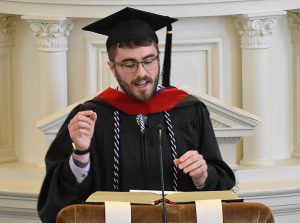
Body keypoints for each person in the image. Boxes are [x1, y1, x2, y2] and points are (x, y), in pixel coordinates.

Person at [37, 7, 236, 223]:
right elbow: (55, 205)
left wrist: (202, 176)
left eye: (149, 61)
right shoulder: (90, 116)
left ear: (158, 58)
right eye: (129, 64)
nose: (141, 73)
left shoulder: (189, 111)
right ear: (112, 68)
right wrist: (80, 154)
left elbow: (222, 186)